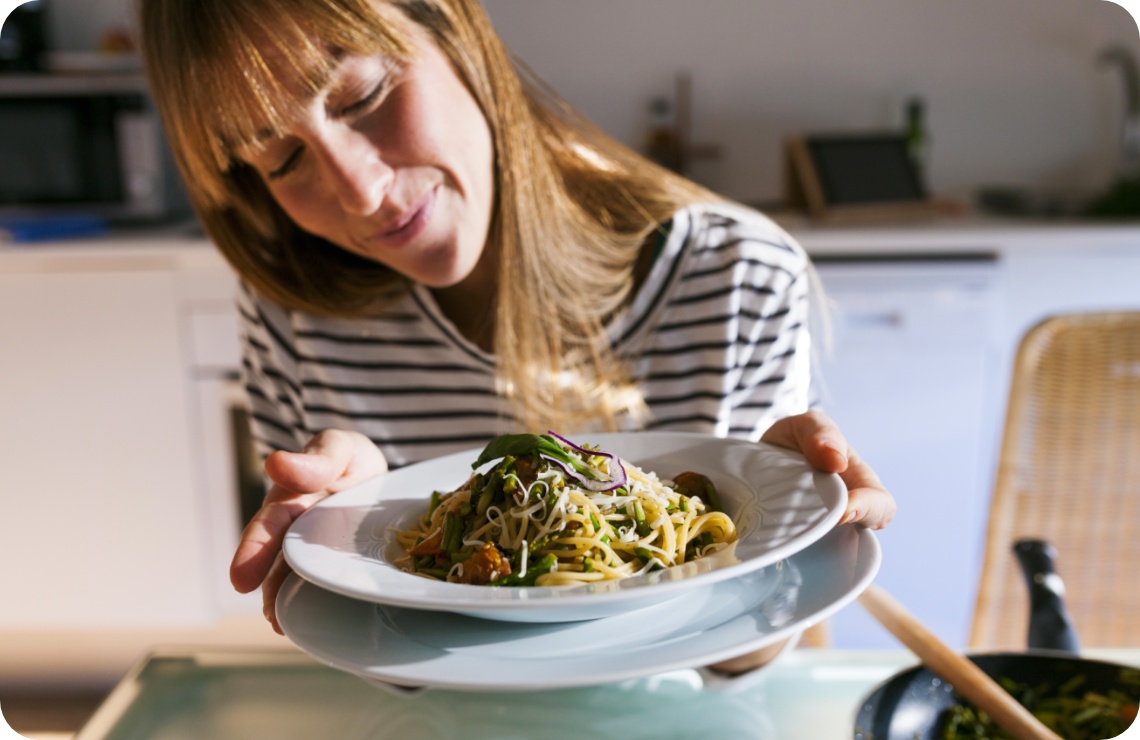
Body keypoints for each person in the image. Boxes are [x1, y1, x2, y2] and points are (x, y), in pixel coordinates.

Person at [139, 0, 894, 672]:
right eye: (284, 158)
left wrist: (802, 546)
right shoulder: (290, 308)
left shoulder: (735, 276)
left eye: (363, 95)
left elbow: (742, 653)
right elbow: (398, 669)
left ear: (456, 28)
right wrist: (354, 531)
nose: (361, 191)